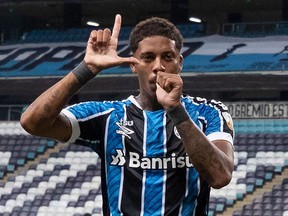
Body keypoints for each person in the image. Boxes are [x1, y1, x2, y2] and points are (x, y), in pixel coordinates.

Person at [20, 14, 234, 216]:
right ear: (133, 64)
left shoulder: (209, 112)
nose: (158, 66)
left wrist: (176, 110)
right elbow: (33, 122)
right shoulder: (108, 116)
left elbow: (220, 176)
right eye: (148, 58)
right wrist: (87, 69)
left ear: (180, 62)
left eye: (167, 57)